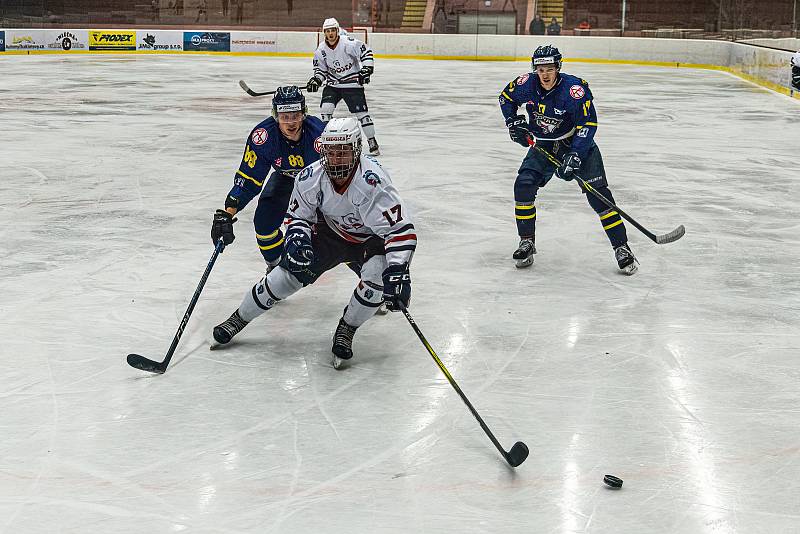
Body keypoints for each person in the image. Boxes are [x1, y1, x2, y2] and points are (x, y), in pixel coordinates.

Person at [212, 118, 417, 369]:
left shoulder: (374, 182)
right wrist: (298, 239)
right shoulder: (310, 176)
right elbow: (299, 216)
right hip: (330, 234)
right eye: (331, 151)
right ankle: (238, 318)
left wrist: (397, 272)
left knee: (376, 281)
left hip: (370, 239)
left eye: (343, 152)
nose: (336, 158)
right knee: (284, 278)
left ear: (356, 150)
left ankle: (347, 328)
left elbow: (399, 231)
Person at [498, 45, 638, 275]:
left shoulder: (574, 90)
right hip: (544, 143)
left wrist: (575, 154)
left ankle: (622, 248)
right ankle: (526, 241)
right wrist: (513, 122)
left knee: (599, 196)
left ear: (558, 68)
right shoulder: (525, 84)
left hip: (575, 143)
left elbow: (588, 124)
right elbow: (505, 98)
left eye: (550, 69)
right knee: (523, 185)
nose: (545, 74)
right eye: (540, 69)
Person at [211, 86, 325, 271]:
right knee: (264, 223)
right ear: (275, 115)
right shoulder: (263, 137)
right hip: (285, 179)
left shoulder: (320, 135)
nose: (291, 123)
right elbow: (248, 179)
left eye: (295, 115)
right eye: (284, 116)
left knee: (338, 229)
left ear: (304, 113)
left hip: (319, 186)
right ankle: (277, 266)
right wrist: (227, 214)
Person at [305, 18, 381, 156]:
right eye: (327, 31)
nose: (330, 34)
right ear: (324, 33)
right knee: (325, 109)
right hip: (333, 84)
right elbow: (320, 70)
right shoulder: (321, 49)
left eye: (332, 30)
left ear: (337, 30)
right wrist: (316, 80)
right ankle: (326, 142)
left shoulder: (348, 43)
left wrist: (367, 69)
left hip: (352, 85)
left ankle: (371, 140)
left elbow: (366, 52)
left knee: (362, 114)